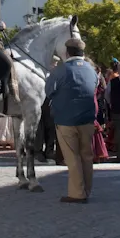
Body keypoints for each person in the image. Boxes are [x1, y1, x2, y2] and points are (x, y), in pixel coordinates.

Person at [45, 37, 98, 203]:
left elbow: (48, 91)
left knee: (73, 158)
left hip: (66, 119)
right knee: (86, 157)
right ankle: (86, 190)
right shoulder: (91, 69)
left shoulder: (62, 69)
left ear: (67, 52)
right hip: (88, 119)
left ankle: (77, 194)